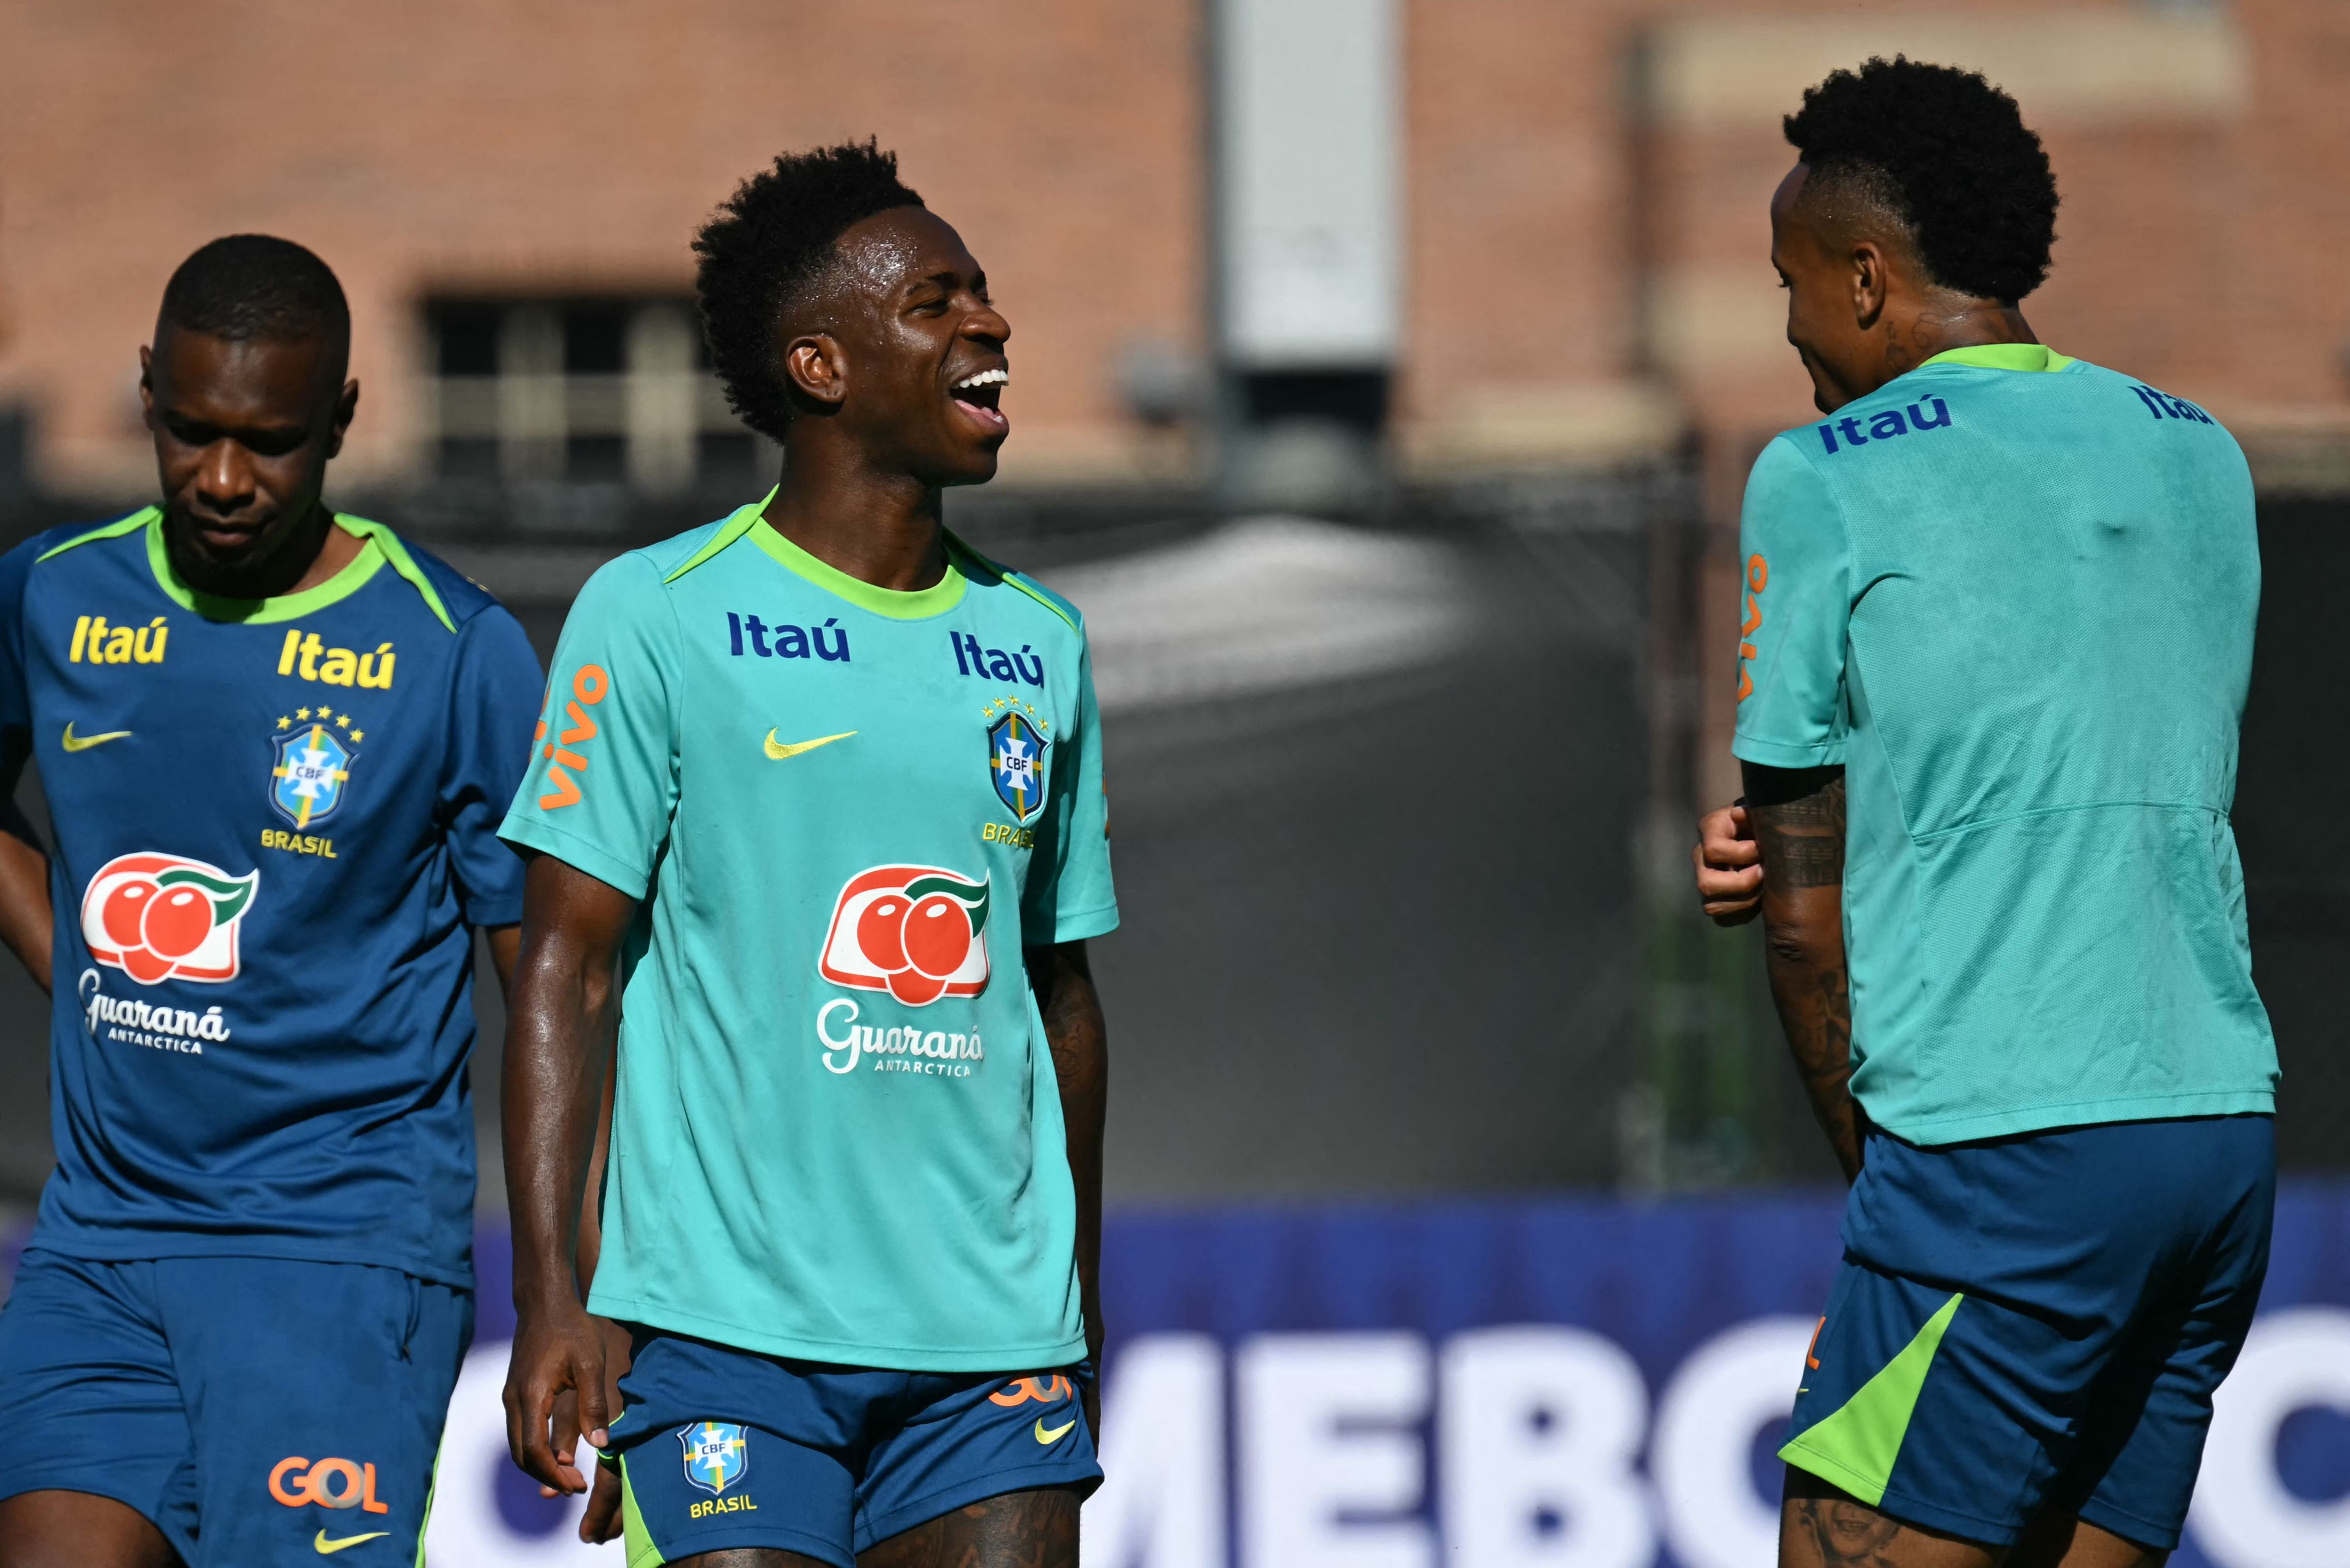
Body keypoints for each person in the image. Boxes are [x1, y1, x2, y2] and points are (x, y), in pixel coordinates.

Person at [498, 141, 1116, 1568]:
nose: (990, 324)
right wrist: (553, 1293)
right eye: (936, 302)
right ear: (821, 367)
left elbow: (1060, 999)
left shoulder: (1037, 640)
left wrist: (1082, 1308)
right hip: (724, 1334)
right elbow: (566, 972)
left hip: (991, 1345)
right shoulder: (654, 613)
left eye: (984, 293)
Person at [1690, 58, 2275, 1568]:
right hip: (2214, 1136)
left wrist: (1901, 1197)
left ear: (1869, 279)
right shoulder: (2196, 448)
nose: (1786, 323)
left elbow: (1802, 921)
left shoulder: (1818, 476)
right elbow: (2068, 762)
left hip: (2000, 1154)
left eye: (1792, 281)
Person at [0, 236, 544, 1566]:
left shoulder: (453, 648)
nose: (227, 478)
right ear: (144, 394)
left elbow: (551, 986)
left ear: (344, 419)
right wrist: (81, 966)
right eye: (190, 433)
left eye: (272, 441)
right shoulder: (54, 595)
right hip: (100, 1245)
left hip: (341, 1258)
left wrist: (568, 1290)